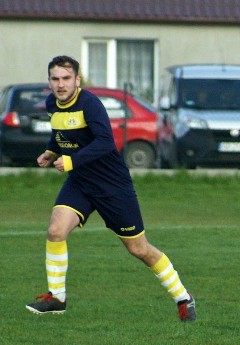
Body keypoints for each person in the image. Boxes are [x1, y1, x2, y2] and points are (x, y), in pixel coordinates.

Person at [27, 55, 195, 321]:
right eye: (55, 79)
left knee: (139, 249)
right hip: (80, 182)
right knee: (56, 230)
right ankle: (57, 298)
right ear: (49, 81)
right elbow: (60, 131)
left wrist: (70, 160)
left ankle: (183, 298)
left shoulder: (90, 104)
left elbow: (106, 142)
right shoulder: (52, 104)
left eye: (66, 78)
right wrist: (51, 150)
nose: (60, 84)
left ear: (77, 80)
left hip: (112, 186)